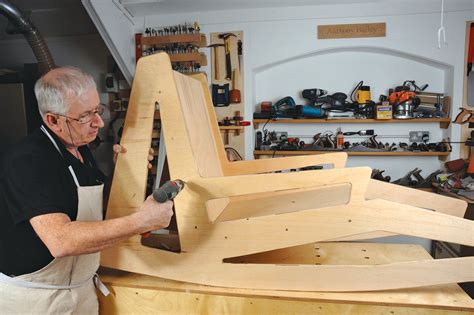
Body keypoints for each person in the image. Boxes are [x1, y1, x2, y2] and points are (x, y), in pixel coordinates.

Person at [0, 66, 174, 314]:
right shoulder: (27, 161)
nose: (99, 123)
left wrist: (124, 172)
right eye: (85, 116)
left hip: (80, 289)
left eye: (97, 110)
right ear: (53, 120)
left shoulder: (81, 150)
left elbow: (91, 214)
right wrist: (141, 221)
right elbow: (61, 241)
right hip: (37, 300)